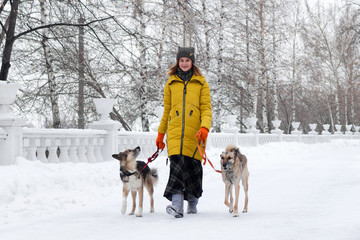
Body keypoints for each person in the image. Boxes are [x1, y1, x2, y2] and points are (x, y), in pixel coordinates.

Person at [156, 47, 212, 218]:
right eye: (181, 60)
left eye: (187, 60)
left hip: (195, 133)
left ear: (192, 62)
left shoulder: (201, 83)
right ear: (177, 62)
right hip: (174, 133)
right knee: (177, 168)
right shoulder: (171, 83)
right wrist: (160, 134)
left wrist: (204, 128)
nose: (184, 63)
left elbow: (206, 109)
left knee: (193, 169)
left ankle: (193, 202)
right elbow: (167, 111)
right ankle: (177, 206)